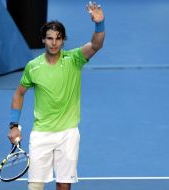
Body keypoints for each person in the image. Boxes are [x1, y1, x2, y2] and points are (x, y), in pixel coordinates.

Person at [8, 2, 105, 190]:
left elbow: (96, 44)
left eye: (58, 39)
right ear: (43, 40)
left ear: (63, 40)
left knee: (63, 186)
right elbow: (19, 94)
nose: (54, 43)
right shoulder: (33, 67)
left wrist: (99, 24)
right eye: (50, 38)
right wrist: (14, 125)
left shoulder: (74, 59)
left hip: (68, 133)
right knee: (35, 186)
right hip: (41, 133)